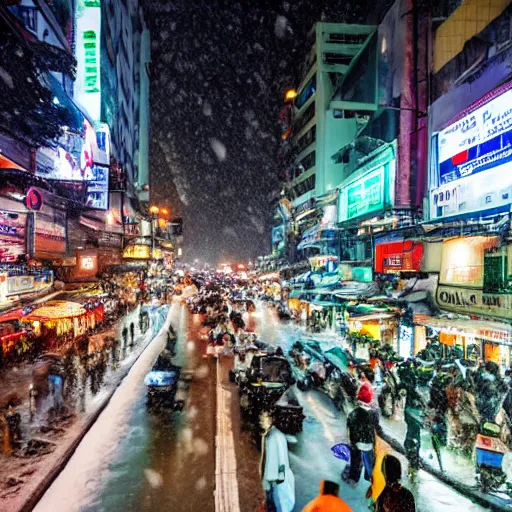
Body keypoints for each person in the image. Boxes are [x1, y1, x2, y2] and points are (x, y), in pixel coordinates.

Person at [343, 386, 381, 485]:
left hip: (356, 444)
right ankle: (370, 477)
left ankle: (353, 478)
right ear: (370, 399)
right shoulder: (374, 414)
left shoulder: (352, 413)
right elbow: (377, 430)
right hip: (368, 444)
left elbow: (349, 431)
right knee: (370, 463)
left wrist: (351, 443)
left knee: (355, 461)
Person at [260, 411, 295, 512]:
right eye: (261, 419)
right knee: (272, 505)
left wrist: (279, 479)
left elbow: (282, 460)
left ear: (270, 420)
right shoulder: (269, 435)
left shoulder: (276, 436)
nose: (261, 421)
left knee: (279, 505)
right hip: (272, 481)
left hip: (277, 482)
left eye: (264, 419)